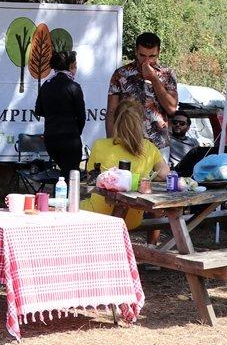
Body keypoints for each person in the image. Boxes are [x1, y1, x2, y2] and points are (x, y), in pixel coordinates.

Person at [81, 100, 171, 229]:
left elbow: (91, 177)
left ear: (115, 121)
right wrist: (144, 178)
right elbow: (165, 175)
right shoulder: (149, 148)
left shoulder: (100, 145)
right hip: (132, 220)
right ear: (141, 122)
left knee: (67, 210)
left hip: (99, 214)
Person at [106, 32, 180, 150]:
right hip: (127, 141)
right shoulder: (121, 74)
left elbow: (171, 109)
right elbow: (111, 111)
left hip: (158, 142)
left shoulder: (167, 74)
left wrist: (154, 78)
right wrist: (111, 141)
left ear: (158, 52)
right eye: (142, 55)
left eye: (152, 56)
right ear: (136, 52)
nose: (146, 61)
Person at [33, 49, 85, 174]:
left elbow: (38, 110)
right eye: (75, 66)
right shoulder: (74, 86)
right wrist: (76, 132)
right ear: (71, 66)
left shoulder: (46, 85)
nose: (75, 69)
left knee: (62, 175)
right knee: (71, 176)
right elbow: (81, 116)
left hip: (51, 139)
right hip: (70, 139)